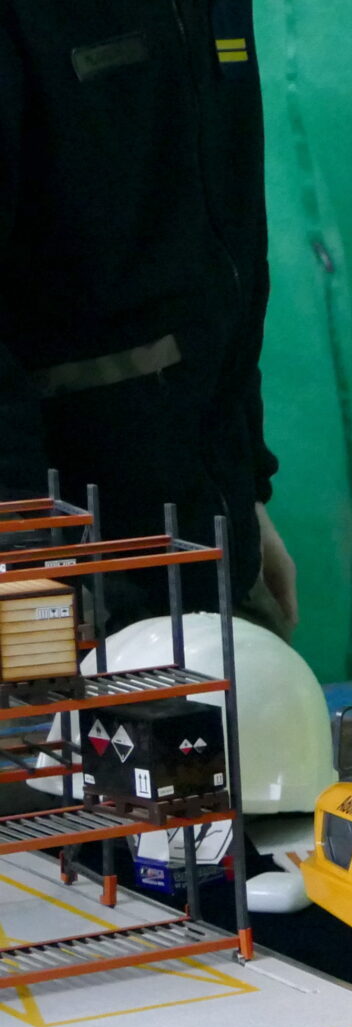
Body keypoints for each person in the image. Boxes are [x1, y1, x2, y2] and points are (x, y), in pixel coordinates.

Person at [0, 1, 294, 632]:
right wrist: (30, 572)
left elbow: (225, 270)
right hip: (67, 578)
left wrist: (247, 494)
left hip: (209, 546)